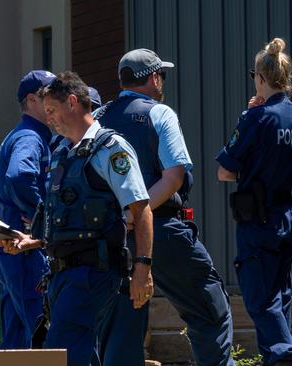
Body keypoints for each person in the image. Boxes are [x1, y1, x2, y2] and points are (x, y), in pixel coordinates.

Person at [0, 71, 154, 366]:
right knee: (79, 352)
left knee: (65, 352)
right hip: (61, 276)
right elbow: (64, 221)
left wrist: (144, 268)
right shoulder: (62, 153)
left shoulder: (110, 149)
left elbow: (141, 208)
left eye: (52, 111)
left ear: (72, 102)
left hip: (93, 271)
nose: (50, 119)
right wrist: (29, 242)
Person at [94, 48, 235, 366]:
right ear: (154, 77)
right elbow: (173, 178)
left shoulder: (99, 118)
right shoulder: (159, 114)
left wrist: (122, 217)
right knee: (208, 307)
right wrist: (136, 213)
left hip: (113, 237)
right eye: (163, 75)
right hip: (162, 230)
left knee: (123, 326)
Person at [216, 38, 292, 366]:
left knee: (259, 298)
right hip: (289, 215)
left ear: (259, 77)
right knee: (280, 296)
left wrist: (247, 117)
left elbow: (225, 171)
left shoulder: (255, 118)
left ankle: (284, 355)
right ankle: (276, 358)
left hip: (259, 219)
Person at [0, 70, 55, 349]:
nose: (56, 100)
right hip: (26, 250)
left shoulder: (21, 134)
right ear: (32, 99)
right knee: (42, 336)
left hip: (10, 249)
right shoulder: (31, 136)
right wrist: (42, 213)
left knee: (16, 343)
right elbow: (19, 176)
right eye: (48, 95)